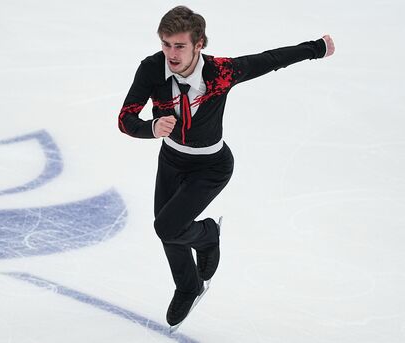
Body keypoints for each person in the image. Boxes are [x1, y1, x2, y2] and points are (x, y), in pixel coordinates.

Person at [117, 5, 335, 328]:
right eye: (165, 44)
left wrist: (317, 48)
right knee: (168, 229)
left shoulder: (220, 73)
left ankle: (208, 235)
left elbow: (269, 59)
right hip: (171, 160)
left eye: (179, 45)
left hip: (211, 165)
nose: (171, 54)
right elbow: (125, 118)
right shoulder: (151, 70)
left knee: (166, 227)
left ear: (199, 44)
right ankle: (188, 287)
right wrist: (150, 128)